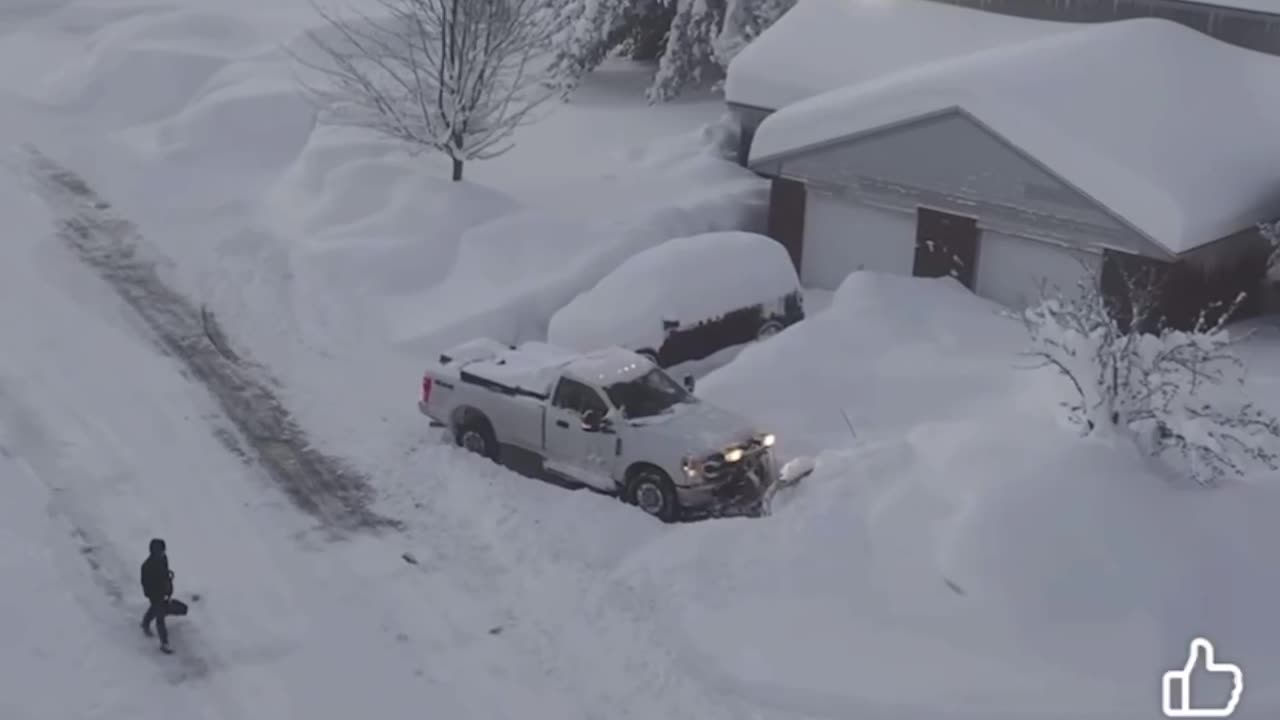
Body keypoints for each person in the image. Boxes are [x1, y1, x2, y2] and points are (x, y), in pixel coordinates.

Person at [139, 537, 174, 654]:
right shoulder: (146, 566)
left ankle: (145, 622)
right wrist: (152, 595)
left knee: (155, 609)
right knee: (160, 616)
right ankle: (164, 643)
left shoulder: (163, 559)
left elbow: (165, 573)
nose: (163, 553)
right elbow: (145, 583)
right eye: (161, 551)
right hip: (154, 594)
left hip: (163, 591)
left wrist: (168, 587)